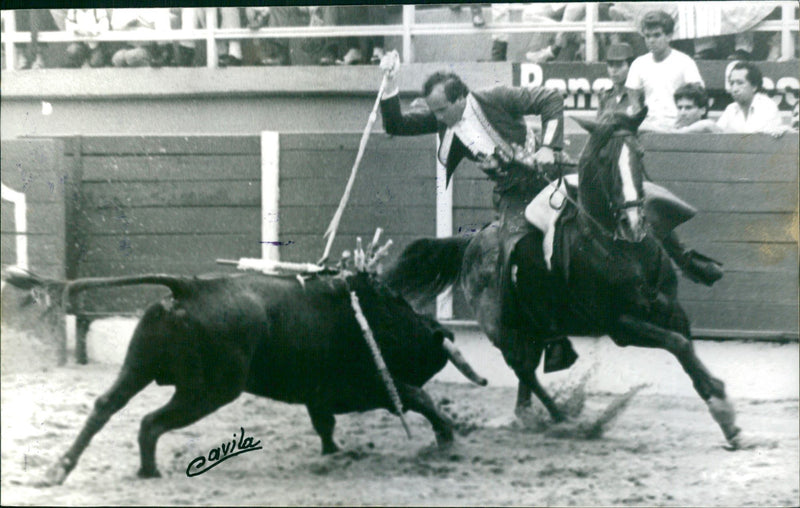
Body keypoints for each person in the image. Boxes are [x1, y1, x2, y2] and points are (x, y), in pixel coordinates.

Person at [379, 50, 576, 371]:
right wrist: (389, 82)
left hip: (550, 175)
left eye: (442, 110)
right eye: (435, 111)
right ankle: (554, 339)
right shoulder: (443, 117)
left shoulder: (494, 98)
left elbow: (551, 98)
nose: (438, 118)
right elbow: (396, 124)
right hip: (514, 196)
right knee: (523, 253)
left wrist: (547, 148)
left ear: (460, 99)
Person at [625, 10, 704, 131]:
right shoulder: (638, 64)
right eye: (647, 36)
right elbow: (634, 102)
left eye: (657, 35)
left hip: (678, 127)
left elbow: (698, 97)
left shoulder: (685, 62)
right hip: (648, 126)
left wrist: (681, 124)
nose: (651, 40)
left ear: (669, 36)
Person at [717, 61, 790, 136]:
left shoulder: (767, 106)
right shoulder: (730, 109)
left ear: (754, 86)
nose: (734, 89)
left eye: (740, 83)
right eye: (732, 83)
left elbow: (754, 139)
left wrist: (729, 131)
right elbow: (717, 136)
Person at [596, 43, 638, 118]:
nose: (614, 70)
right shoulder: (605, 97)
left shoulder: (638, 96)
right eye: (610, 65)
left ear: (630, 66)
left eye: (619, 65)